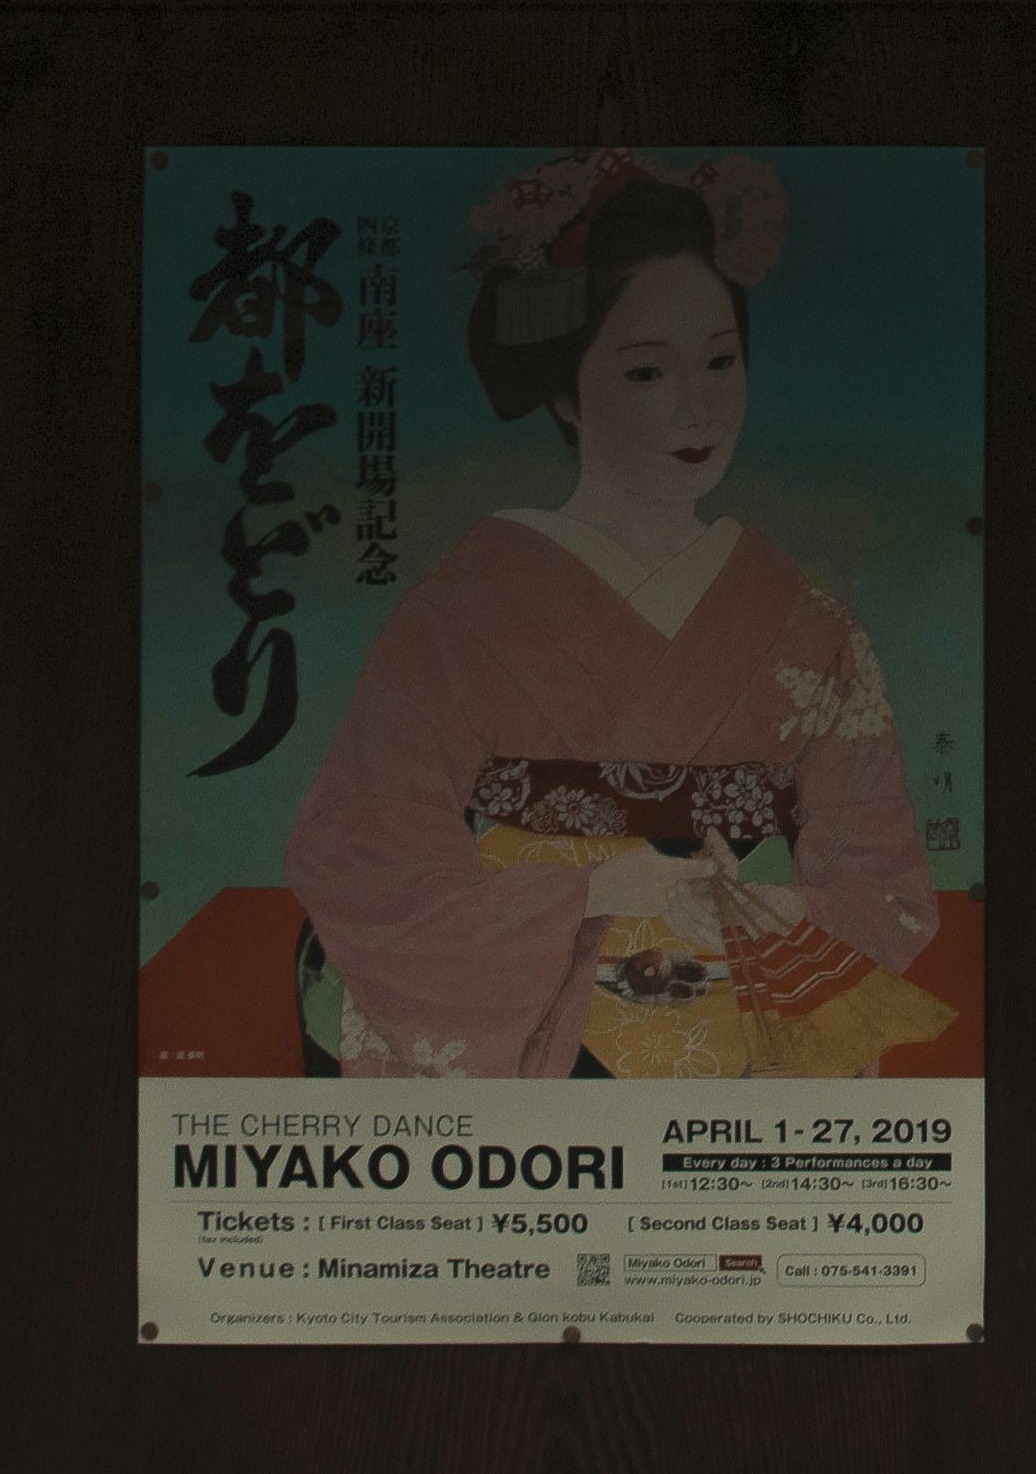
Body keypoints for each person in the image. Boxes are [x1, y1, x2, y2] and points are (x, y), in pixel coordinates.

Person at [277, 151, 951, 1082]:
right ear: (564, 389)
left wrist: (774, 910)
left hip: (733, 970)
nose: (697, 405)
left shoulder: (812, 627)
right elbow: (362, 848)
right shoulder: (460, 613)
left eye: (720, 361)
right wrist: (591, 890)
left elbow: (880, 879)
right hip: (522, 976)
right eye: (645, 372)